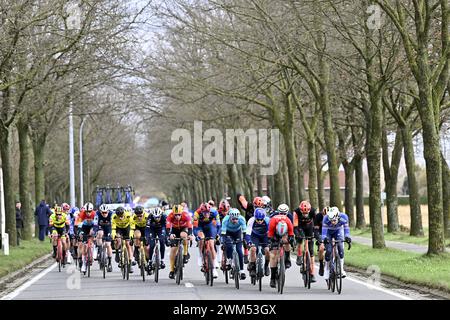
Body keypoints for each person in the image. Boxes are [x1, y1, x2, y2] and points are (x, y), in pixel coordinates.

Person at [267, 203, 295, 288]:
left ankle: (287, 258)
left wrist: (291, 241)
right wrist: (271, 242)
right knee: (273, 255)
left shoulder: (289, 219)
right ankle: (272, 278)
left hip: (285, 231)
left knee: (287, 242)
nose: (283, 214)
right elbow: (270, 235)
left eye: (284, 213)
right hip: (274, 233)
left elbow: (291, 233)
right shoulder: (273, 219)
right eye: (281, 213)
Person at [322, 207, 352, 280]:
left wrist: (347, 237)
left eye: (334, 220)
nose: (333, 222)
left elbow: (346, 230)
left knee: (341, 248)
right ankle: (326, 269)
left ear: (338, 217)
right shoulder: (326, 219)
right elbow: (324, 233)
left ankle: (341, 269)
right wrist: (325, 239)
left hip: (338, 231)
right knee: (328, 250)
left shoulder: (344, 218)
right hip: (328, 232)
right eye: (331, 220)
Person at [166, 205, 194, 279]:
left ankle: (185, 253)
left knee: (184, 236)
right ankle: (172, 270)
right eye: (175, 215)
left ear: (181, 213)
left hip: (183, 228)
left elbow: (190, 227)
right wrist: (170, 235)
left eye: (179, 215)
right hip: (174, 230)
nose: (177, 217)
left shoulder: (186, 215)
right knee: (173, 250)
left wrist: (190, 235)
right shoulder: (170, 216)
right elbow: (168, 227)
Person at [193, 202, 220, 278]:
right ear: (201, 211)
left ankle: (214, 265)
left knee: (211, 243)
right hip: (200, 227)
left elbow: (218, 225)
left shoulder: (214, 212)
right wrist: (196, 236)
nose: (206, 214)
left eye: (207, 212)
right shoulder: (196, 214)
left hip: (210, 226)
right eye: (204, 213)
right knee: (201, 239)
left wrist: (217, 234)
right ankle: (201, 256)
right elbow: (195, 228)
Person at [293, 200, 317, 283]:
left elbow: (316, 224)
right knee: (300, 240)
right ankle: (299, 256)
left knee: (311, 250)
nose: (305, 215)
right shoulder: (296, 212)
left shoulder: (313, 211)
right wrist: (297, 235)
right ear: (300, 211)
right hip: (300, 227)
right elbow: (295, 227)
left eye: (306, 213)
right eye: (303, 213)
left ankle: (312, 273)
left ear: (310, 211)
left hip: (309, 227)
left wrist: (316, 235)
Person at [220, 208, 247, 280]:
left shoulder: (242, 219)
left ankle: (242, 271)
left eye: (236, 219)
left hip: (237, 233)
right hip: (228, 233)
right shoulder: (225, 220)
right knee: (229, 246)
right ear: (230, 217)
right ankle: (229, 260)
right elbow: (223, 233)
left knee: (239, 251)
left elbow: (244, 232)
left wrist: (244, 240)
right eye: (233, 219)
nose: (235, 221)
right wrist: (223, 242)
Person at [245, 207, 271, 278]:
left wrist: (271, 240)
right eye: (258, 220)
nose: (259, 221)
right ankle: (253, 266)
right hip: (254, 236)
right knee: (253, 249)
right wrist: (249, 241)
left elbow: (270, 232)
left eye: (261, 220)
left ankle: (266, 266)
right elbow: (248, 233)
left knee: (267, 250)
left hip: (264, 236)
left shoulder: (267, 220)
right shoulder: (251, 220)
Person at [111, 206, 134, 273]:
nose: (120, 217)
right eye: (119, 216)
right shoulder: (114, 217)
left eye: (121, 215)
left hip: (127, 228)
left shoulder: (128, 215)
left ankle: (130, 263)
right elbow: (113, 229)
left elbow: (132, 227)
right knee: (117, 240)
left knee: (128, 244)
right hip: (118, 228)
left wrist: (131, 236)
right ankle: (117, 251)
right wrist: (113, 237)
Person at [145, 207, 167, 272]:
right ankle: (150, 261)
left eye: (158, 217)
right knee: (151, 245)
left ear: (161, 215)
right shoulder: (150, 217)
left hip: (161, 229)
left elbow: (167, 228)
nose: (157, 219)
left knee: (162, 241)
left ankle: (162, 260)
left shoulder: (164, 216)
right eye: (155, 217)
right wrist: (147, 237)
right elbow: (147, 228)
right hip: (152, 229)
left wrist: (166, 238)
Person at [93, 204, 113, 272]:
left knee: (108, 245)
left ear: (108, 211)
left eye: (105, 212)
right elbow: (95, 225)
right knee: (100, 234)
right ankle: (98, 248)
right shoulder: (97, 214)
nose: (104, 214)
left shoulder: (111, 214)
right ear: (100, 212)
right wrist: (95, 233)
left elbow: (113, 225)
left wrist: (112, 234)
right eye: (103, 212)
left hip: (108, 227)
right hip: (100, 227)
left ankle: (109, 263)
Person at [314, 206, 329, 276]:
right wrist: (319, 239)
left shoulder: (333, 217)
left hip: (329, 233)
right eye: (324, 216)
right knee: (321, 249)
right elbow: (316, 230)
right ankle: (321, 265)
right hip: (320, 233)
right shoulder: (318, 216)